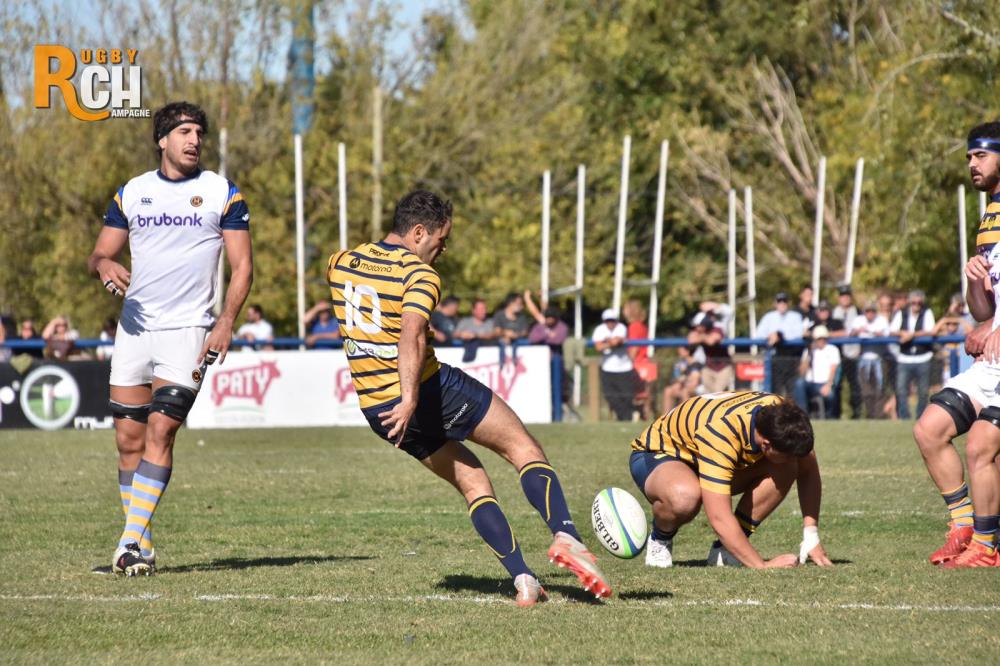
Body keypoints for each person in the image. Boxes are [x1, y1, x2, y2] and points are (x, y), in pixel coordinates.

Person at [326, 190, 611, 605]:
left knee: (473, 481)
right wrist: (410, 397)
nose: (442, 250)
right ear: (418, 232)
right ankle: (567, 535)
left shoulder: (340, 263)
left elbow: (376, 320)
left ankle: (524, 580)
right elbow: (409, 335)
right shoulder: (419, 275)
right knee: (523, 447)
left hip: (379, 410)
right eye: (441, 240)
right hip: (425, 392)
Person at [87, 101, 254, 576]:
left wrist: (226, 321)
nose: (194, 140)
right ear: (162, 140)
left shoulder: (222, 192)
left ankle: (127, 544)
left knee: (162, 429)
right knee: (128, 440)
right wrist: (104, 264)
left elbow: (243, 266)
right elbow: (99, 253)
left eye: (199, 133)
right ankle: (142, 547)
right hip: (135, 330)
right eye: (184, 131)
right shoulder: (132, 193)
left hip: (189, 331)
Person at [912, 121, 1000, 568]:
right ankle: (964, 526)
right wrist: (973, 284)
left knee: (982, 445)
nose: (971, 164)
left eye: (980, 155)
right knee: (929, 428)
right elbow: (984, 309)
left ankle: (986, 546)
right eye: (969, 156)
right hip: (993, 362)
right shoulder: (989, 218)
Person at [629, 391, 832, 569]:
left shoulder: (782, 415)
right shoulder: (722, 432)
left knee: (788, 466)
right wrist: (762, 565)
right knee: (684, 497)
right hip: (659, 454)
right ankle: (660, 538)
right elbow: (719, 517)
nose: (794, 458)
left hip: (704, 454)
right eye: (787, 454)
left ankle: (725, 551)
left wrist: (811, 536)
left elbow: (808, 470)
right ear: (766, 445)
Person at [890, 289, 935, 418]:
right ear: (909, 302)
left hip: (923, 357)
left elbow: (930, 330)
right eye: (913, 303)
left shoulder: (927, 312)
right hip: (904, 358)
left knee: (923, 391)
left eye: (919, 303)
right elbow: (892, 330)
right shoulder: (901, 313)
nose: (916, 305)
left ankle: (920, 416)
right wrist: (902, 333)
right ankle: (904, 417)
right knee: (901, 390)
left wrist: (911, 335)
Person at [756, 293, 805, 398]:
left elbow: (799, 334)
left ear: (788, 303)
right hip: (774, 358)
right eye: (779, 301)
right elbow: (759, 334)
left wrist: (779, 335)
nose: (782, 304)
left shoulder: (795, 316)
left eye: (784, 301)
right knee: (775, 392)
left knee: (792, 392)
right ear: (775, 303)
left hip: (791, 358)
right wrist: (770, 335)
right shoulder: (769, 317)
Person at [592, 308, 637, 421]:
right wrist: (610, 343)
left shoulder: (621, 327)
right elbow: (598, 347)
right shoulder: (599, 329)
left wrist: (606, 342)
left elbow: (617, 341)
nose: (610, 323)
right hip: (607, 368)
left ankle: (627, 419)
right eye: (608, 320)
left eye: (612, 320)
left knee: (626, 397)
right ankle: (624, 417)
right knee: (610, 396)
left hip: (624, 368)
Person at [849, 301, 890, 419]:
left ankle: (879, 416)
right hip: (864, 360)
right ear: (864, 312)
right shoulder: (859, 320)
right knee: (866, 391)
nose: (870, 314)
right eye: (867, 311)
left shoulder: (881, 320)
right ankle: (870, 415)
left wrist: (876, 333)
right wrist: (858, 331)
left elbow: (887, 334)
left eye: (872, 311)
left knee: (880, 390)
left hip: (879, 359)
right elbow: (850, 334)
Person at [793, 325, 840, 418]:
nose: (821, 341)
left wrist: (828, 385)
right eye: (819, 339)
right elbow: (801, 372)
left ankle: (830, 417)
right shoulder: (809, 351)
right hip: (811, 384)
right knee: (799, 383)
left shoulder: (832, 349)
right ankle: (803, 414)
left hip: (825, 383)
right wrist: (809, 354)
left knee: (830, 396)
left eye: (823, 338)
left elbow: (833, 369)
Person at [688, 302, 733, 393]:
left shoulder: (718, 328)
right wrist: (701, 337)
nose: (697, 328)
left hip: (723, 367)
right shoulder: (699, 331)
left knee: (719, 395)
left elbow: (712, 340)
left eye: (699, 326)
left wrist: (701, 338)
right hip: (708, 367)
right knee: (708, 396)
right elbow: (691, 339)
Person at [832, 285, 862, 418]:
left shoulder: (858, 312)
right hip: (838, 355)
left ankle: (856, 414)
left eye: (847, 296)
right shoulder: (834, 312)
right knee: (836, 385)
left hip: (853, 354)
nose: (845, 298)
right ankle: (835, 414)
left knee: (854, 385)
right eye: (842, 296)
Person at [623, 299, 656, 419]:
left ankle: (639, 414)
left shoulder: (634, 326)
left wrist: (628, 361)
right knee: (645, 393)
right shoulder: (642, 326)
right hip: (646, 362)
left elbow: (634, 347)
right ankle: (646, 415)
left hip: (639, 363)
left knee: (638, 393)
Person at [661, 345, 701, 414]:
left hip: (695, 389)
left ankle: (685, 415)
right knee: (668, 390)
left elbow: (695, 382)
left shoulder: (696, 364)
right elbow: (677, 379)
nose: (678, 351)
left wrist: (684, 379)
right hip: (683, 386)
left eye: (681, 350)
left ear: (687, 351)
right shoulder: (681, 364)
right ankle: (666, 416)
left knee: (684, 391)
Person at [493, 292, 530, 365]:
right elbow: (497, 331)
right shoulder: (499, 315)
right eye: (519, 303)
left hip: (518, 342)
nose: (521, 306)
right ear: (510, 303)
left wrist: (515, 335)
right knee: (501, 342)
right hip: (502, 342)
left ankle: (515, 362)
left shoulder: (522, 316)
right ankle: (502, 363)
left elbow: (525, 332)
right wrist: (506, 333)